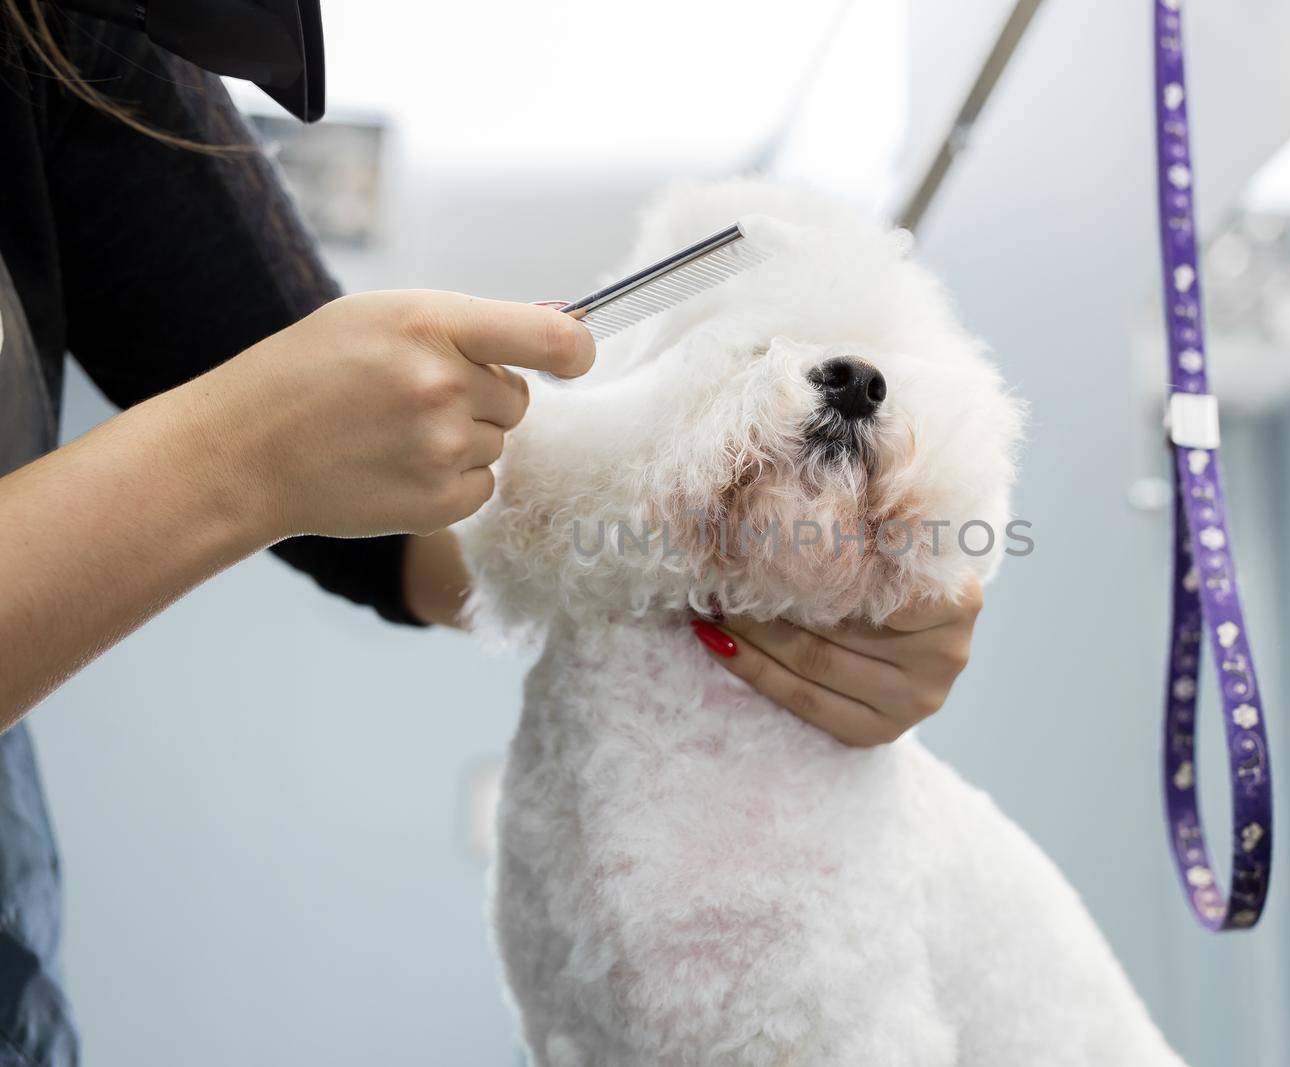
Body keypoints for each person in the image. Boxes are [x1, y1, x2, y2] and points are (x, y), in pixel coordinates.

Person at [0, 6, 983, 1064]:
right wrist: (236, 455)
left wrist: (824, 582)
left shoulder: (78, 36)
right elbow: (291, 451)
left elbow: (398, 537)